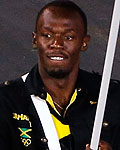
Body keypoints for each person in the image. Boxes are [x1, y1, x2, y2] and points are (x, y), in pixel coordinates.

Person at [0, 0, 120, 150]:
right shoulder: (6, 101)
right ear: (35, 40)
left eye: (68, 37)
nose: (57, 43)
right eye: (47, 35)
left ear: (84, 42)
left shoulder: (111, 97)